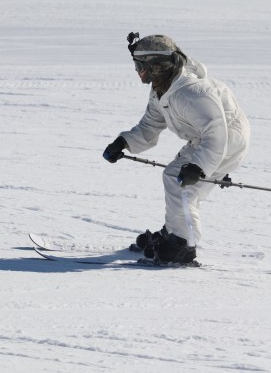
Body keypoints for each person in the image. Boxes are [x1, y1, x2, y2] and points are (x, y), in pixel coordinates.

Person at [103, 32, 250, 263]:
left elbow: (216, 134)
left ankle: (182, 245)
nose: (138, 71)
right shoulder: (162, 89)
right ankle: (174, 231)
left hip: (226, 142)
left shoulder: (193, 92)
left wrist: (199, 167)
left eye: (141, 65)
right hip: (207, 141)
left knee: (179, 181)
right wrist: (124, 142)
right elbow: (150, 125)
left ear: (157, 65)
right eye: (136, 65)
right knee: (180, 183)